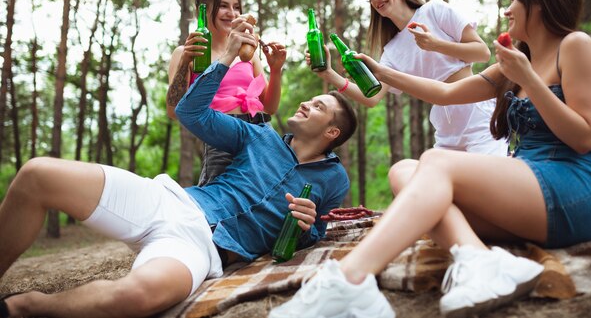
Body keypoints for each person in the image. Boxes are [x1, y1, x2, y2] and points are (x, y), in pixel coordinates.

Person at [271, 0, 591, 318]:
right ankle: (479, 259)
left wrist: (527, 77)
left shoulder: (575, 45)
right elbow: (446, 93)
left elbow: (584, 138)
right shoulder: (516, 62)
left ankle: (351, 279)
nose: (506, 10)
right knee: (404, 170)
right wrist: (382, 71)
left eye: (513, 0)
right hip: (532, 188)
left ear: (539, 3)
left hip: (572, 192)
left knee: (435, 162)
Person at [0, 20, 358, 318]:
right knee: (38, 175)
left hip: (199, 247)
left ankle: (23, 308)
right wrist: (228, 57)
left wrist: (309, 226)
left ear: (332, 132)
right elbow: (190, 113)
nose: (305, 103)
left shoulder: (332, 178)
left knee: (138, 297)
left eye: (318, 106)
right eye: (310, 99)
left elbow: (316, 233)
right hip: (170, 202)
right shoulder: (257, 134)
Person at [310, 0, 507, 193]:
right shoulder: (391, 51)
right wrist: (329, 74)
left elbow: (481, 53)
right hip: (444, 125)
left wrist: (435, 44)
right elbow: (372, 97)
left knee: (491, 188)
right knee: (441, 193)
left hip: (475, 113)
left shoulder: (434, 10)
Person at [167, 0, 286, 186]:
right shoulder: (188, 52)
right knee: (222, 200)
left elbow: (269, 107)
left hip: (260, 134)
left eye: (236, 7)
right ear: (203, 9)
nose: (231, 13)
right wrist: (186, 61)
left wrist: (276, 70)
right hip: (222, 140)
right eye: (223, 6)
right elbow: (174, 111)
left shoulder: (248, 51)